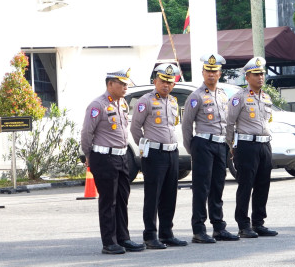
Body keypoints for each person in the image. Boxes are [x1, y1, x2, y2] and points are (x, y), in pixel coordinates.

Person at [81, 69, 146, 255]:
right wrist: (88, 154)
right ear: (110, 85)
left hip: (122, 156)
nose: (126, 87)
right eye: (122, 84)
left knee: (122, 199)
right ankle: (109, 242)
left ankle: (123, 238)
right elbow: (87, 133)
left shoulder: (122, 104)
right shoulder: (97, 105)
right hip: (104, 156)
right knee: (109, 200)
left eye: (126, 84)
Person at [182, 53, 239, 243]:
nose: (211, 74)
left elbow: (228, 121)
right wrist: (192, 147)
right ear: (202, 72)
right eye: (208, 71)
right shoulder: (195, 96)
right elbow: (186, 124)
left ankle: (218, 227)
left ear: (220, 73)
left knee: (217, 186)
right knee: (201, 187)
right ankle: (199, 230)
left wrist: (229, 143)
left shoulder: (223, 95)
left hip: (220, 144)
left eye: (215, 71)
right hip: (203, 144)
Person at [130, 63, 188, 249]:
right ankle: (150, 235)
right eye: (163, 81)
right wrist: (144, 147)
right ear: (155, 80)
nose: (166, 85)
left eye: (170, 82)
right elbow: (135, 128)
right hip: (154, 153)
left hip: (172, 152)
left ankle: (166, 233)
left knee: (170, 194)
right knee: (153, 196)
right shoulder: (145, 101)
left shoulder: (172, 101)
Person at [226, 57, 277, 238]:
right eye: (256, 74)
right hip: (246, 145)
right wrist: (232, 147)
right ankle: (243, 224)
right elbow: (229, 123)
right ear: (247, 77)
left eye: (262, 73)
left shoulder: (266, 97)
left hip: (264, 144)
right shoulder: (238, 98)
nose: (260, 77)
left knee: (263, 185)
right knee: (246, 185)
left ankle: (258, 223)